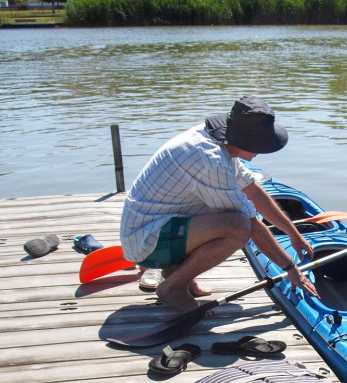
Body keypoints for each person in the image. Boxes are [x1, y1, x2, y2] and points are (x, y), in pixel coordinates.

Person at [120, 95, 318, 314]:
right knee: (237, 226)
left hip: (157, 226)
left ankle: (178, 275)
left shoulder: (218, 141)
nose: (259, 153)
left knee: (223, 206)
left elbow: (251, 190)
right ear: (243, 141)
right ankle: (173, 287)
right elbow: (251, 225)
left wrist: (293, 233)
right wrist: (291, 268)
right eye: (258, 146)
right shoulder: (210, 160)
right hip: (145, 242)